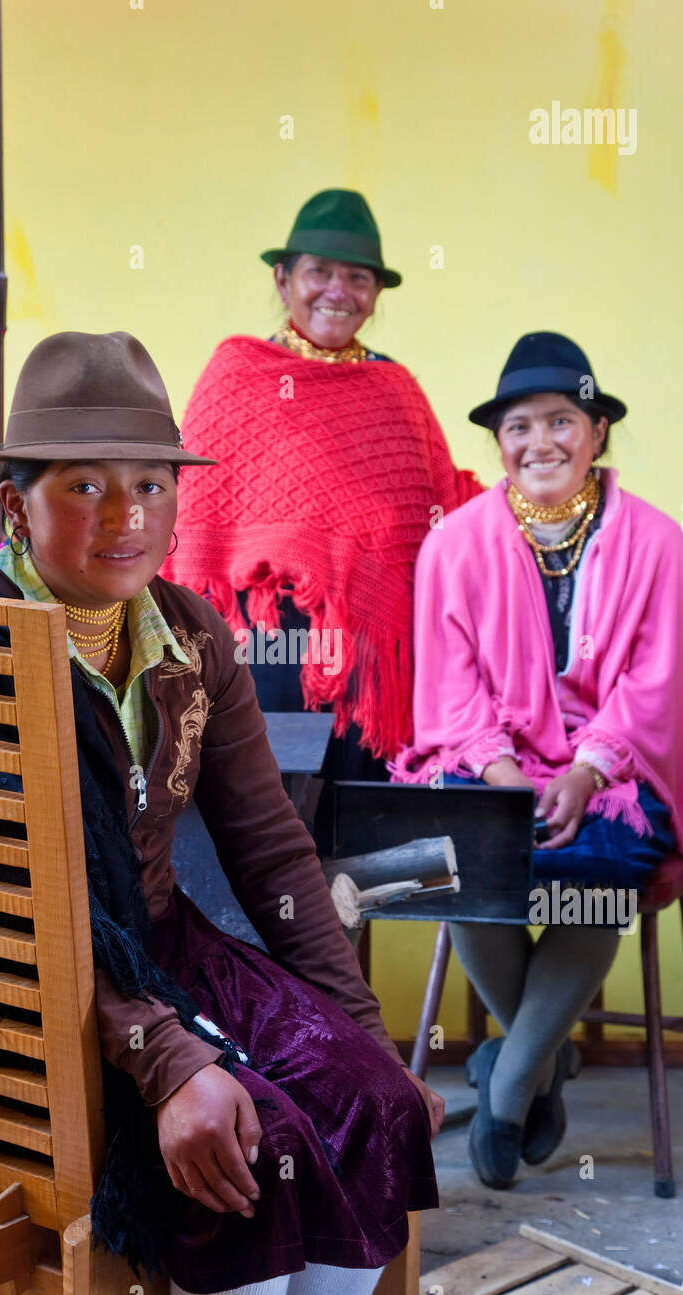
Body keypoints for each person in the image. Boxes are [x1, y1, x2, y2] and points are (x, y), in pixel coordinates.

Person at [0, 330, 442, 1295]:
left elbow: (272, 855)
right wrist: (169, 1062)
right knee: (248, 1143)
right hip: (20, 994)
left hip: (160, 954)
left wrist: (365, 1035)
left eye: (152, 483)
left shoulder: (190, 635)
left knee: (374, 1104)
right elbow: (25, 903)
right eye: (85, 486)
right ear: (16, 504)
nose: (127, 515)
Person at [389, 331, 683, 1189]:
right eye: (519, 427)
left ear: (597, 431)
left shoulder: (650, 539)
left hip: (612, 772)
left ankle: (507, 1085)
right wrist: (506, 781)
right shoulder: (454, 545)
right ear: (497, 443)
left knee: (601, 872)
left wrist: (587, 772)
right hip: (491, 763)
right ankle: (540, 1062)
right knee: (464, 861)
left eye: (562, 421)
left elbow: (658, 684)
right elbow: (451, 695)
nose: (541, 443)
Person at [161, 189, 482, 847]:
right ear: (283, 279)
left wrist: (539, 502)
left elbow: (443, 506)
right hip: (259, 655)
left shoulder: (396, 390)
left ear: (374, 294)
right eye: (319, 272)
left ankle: (336, 952)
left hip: (367, 668)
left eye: (357, 278)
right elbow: (190, 520)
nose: (338, 291)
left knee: (350, 860)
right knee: (260, 849)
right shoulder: (236, 373)